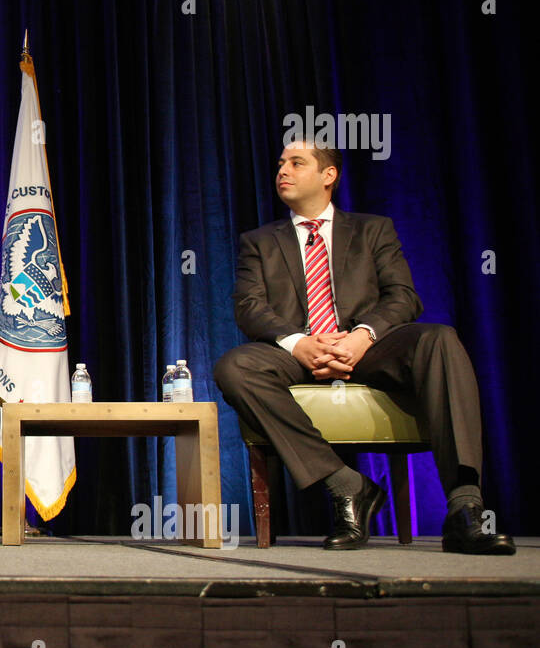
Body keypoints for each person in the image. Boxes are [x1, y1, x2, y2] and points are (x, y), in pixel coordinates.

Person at [214, 141, 514, 554]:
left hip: (369, 348)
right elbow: (249, 308)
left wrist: (362, 336)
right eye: (280, 163)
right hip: (296, 353)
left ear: (328, 175)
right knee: (234, 366)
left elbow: (403, 296)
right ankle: (347, 486)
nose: (282, 170)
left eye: (296, 163)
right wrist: (299, 343)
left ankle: (465, 508)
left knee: (440, 339)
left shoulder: (373, 230)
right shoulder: (260, 242)